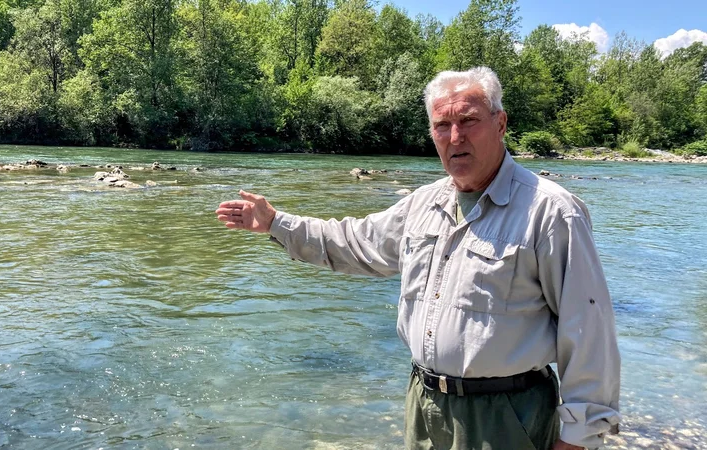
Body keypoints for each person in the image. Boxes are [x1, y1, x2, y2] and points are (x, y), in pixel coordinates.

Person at [215, 67, 620, 450]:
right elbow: (353, 242)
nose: (455, 136)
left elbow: (587, 328)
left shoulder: (551, 212)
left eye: (469, 120)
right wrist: (275, 223)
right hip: (425, 405)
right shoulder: (423, 204)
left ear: (500, 123)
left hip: (508, 413)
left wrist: (578, 435)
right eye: (442, 125)